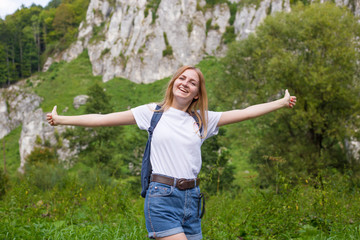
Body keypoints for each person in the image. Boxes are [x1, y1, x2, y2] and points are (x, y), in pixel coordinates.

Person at [47, 65, 296, 240]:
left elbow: (247, 111)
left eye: (192, 82)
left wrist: (281, 102)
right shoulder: (152, 113)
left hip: (192, 200)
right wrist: (61, 120)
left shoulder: (202, 120)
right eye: (182, 78)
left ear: (197, 93)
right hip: (162, 197)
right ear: (173, 82)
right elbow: (102, 119)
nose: (185, 84)